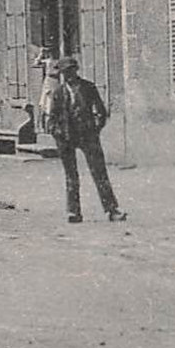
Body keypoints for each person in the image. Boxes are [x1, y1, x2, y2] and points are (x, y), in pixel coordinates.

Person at [43, 56, 127, 224]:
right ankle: (74, 212)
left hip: (87, 136)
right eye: (64, 72)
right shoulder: (58, 93)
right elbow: (51, 119)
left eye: (71, 71)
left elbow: (101, 111)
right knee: (71, 176)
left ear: (76, 70)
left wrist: (95, 129)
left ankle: (112, 210)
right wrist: (57, 132)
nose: (68, 75)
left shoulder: (88, 88)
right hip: (66, 137)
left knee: (100, 173)